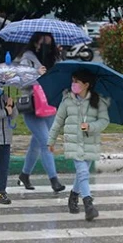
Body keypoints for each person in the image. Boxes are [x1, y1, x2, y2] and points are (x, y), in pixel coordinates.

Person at [47, 69, 110, 221]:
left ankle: (73, 196)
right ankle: (89, 205)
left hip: (90, 142)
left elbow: (104, 121)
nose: (73, 84)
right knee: (83, 173)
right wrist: (51, 140)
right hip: (73, 143)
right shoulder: (67, 101)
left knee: (82, 174)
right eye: (73, 81)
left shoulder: (98, 101)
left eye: (77, 82)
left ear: (86, 84)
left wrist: (90, 126)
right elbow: (58, 122)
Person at [16, 32, 66, 193]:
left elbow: (62, 79)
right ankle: (54, 180)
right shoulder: (28, 58)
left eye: (49, 42)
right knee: (46, 142)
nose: (45, 45)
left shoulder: (55, 59)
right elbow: (22, 82)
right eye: (43, 42)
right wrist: (37, 74)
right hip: (33, 106)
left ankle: (24, 175)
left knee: (36, 144)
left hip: (50, 105)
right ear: (36, 42)